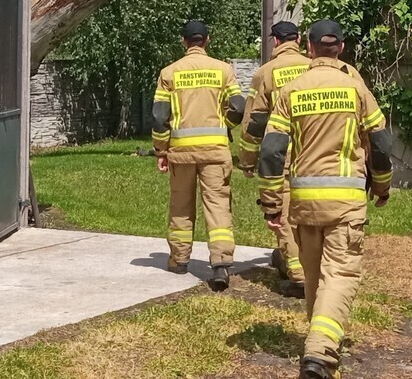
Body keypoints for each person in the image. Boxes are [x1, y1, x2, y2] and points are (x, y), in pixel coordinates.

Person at [257, 19, 394, 379]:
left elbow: (271, 152)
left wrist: (272, 203)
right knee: (340, 275)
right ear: (342, 48)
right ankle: (319, 353)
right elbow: (380, 144)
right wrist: (382, 186)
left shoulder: (291, 92)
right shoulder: (356, 89)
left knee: (316, 278)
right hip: (346, 202)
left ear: (309, 47)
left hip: (303, 203)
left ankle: (318, 344)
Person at [151, 20, 245, 291]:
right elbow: (238, 106)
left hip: (181, 153)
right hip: (215, 152)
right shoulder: (223, 70)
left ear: (184, 41)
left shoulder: (169, 72)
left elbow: (160, 117)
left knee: (181, 204)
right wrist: (226, 125)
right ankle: (220, 263)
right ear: (207, 40)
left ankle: (179, 260)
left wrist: (161, 149)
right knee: (217, 206)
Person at [239, 20, 310, 298]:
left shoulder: (266, 73)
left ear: (276, 42)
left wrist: (246, 160)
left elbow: (254, 123)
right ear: (300, 40)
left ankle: (299, 276)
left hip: (281, 154)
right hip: (314, 154)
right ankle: (313, 268)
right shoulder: (313, 68)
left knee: (284, 214)